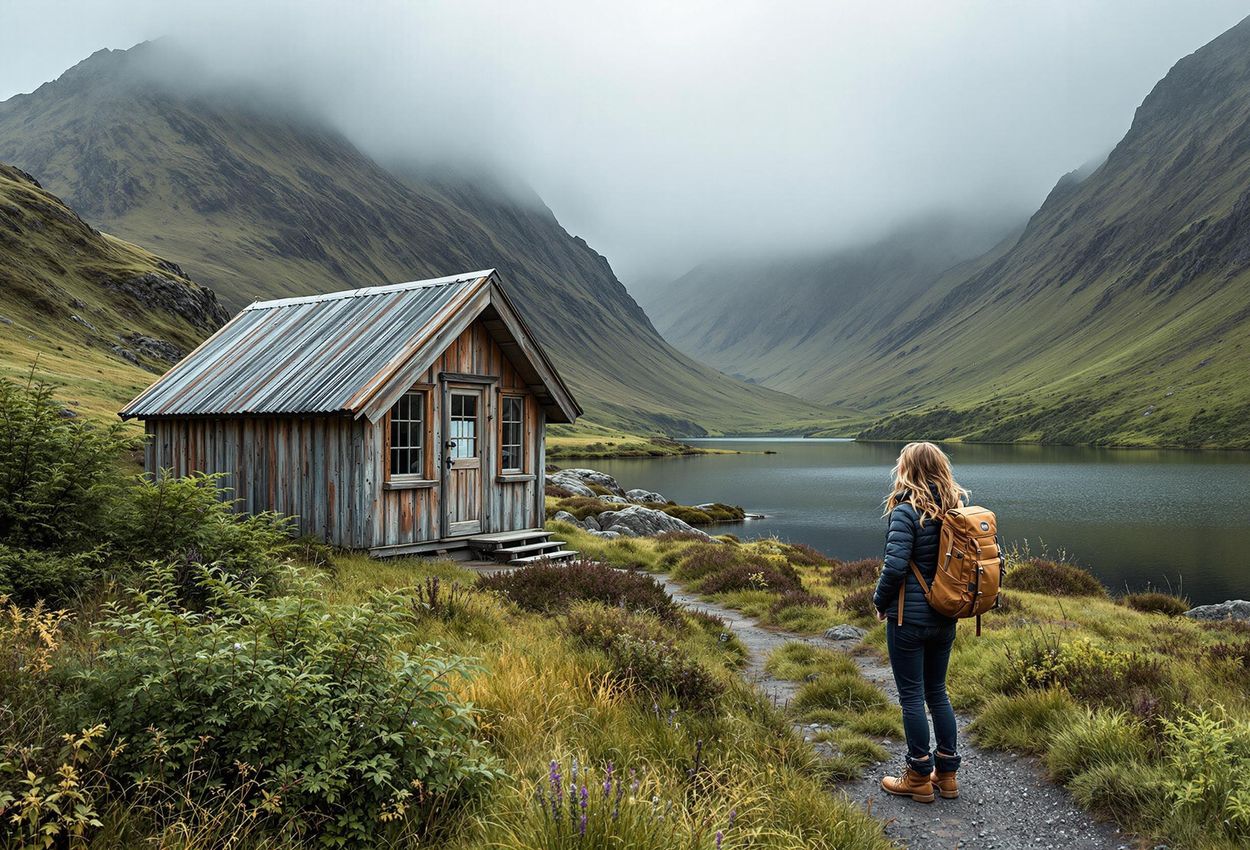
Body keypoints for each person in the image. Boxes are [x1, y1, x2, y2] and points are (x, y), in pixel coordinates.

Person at [872, 441, 964, 803]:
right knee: (937, 692)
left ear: (906, 469)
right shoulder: (956, 511)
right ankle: (948, 774)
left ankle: (918, 776)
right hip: (946, 615)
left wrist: (880, 603)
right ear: (941, 468)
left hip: (907, 619)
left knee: (911, 695)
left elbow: (895, 566)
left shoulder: (906, 511)